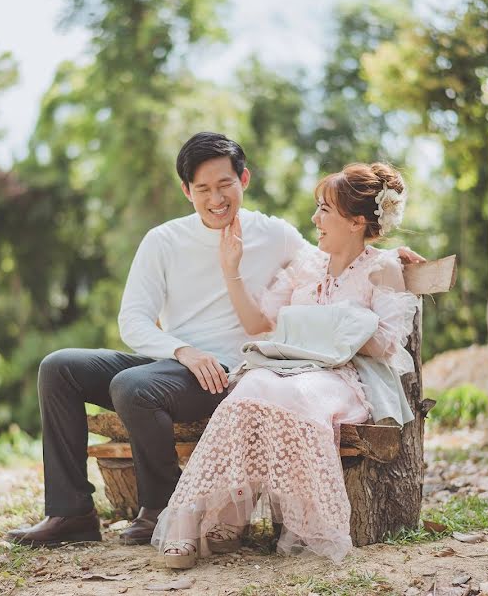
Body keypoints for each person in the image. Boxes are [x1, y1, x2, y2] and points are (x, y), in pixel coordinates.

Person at [5, 133, 423, 548]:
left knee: (133, 387)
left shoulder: (275, 235)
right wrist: (182, 351)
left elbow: (341, 248)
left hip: (230, 371)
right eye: (203, 188)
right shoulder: (163, 240)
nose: (216, 198)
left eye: (225, 184)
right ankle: (70, 512)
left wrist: (391, 252)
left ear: (244, 179)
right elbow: (133, 320)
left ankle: (162, 509)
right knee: (59, 367)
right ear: (187, 191)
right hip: (175, 362)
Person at [151, 162, 420, 568]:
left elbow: (386, 342)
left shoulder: (382, 267)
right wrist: (231, 272)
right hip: (286, 368)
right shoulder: (306, 265)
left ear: (356, 220)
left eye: (324, 210)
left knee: (292, 394)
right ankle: (194, 519)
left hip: (343, 376)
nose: (315, 219)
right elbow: (262, 327)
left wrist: (328, 327)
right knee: (250, 389)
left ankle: (270, 519)